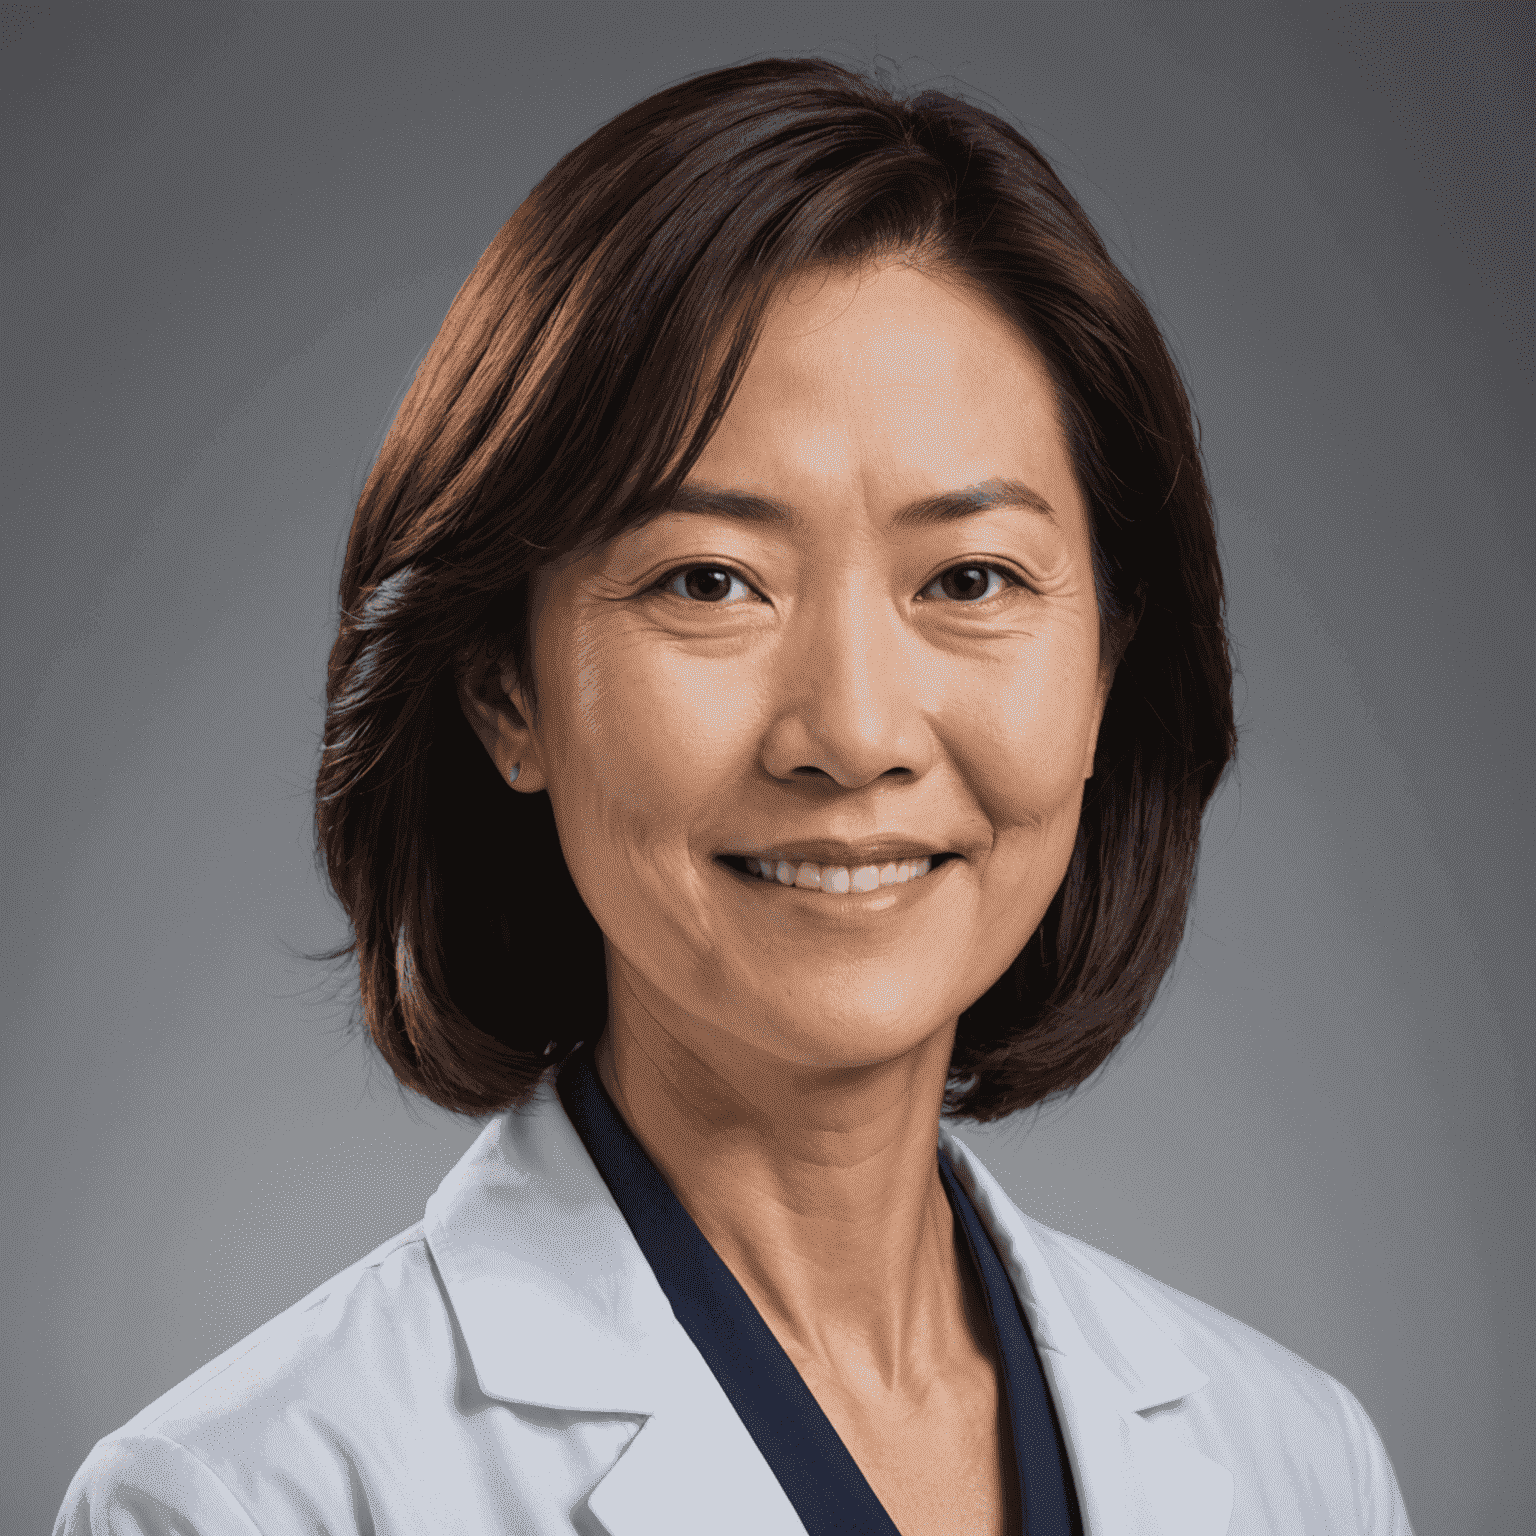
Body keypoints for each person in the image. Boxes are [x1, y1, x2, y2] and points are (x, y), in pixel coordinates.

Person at [55, 57, 1414, 1536]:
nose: (853, 731)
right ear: (507, 688)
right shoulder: (244, 1502)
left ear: (1105, 668)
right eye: (710, 580)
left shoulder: (1299, 1465)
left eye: (970, 579)